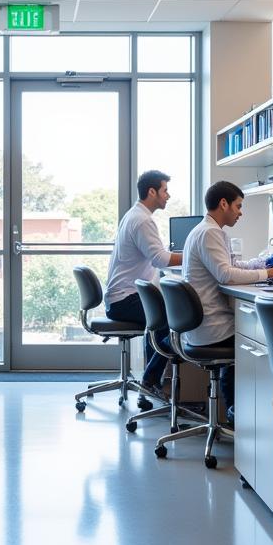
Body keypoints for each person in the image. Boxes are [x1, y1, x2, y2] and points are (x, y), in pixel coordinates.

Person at [182, 181, 273, 418]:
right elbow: (226, 275)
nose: (241, 212)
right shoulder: (211, 232)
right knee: (266, 342)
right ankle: (237, 412)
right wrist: (268, 274)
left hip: (200, 327)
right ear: (223, 204)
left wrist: (262, 264)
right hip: (212, 329)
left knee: (250, 336)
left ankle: (233, 410)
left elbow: (230, 265)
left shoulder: (204, 230)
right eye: (238, 206)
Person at [104, 170, 182, 402]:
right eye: (165, 190)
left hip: (122, 297)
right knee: (173, 320)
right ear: (152, 191)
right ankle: (149, 380)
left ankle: (150, 383)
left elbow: (157, 256)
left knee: (159, 322)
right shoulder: (142, 220)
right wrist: (195, 254)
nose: (168, 195)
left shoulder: (135, 215)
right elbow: (161, 259)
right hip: (124, 300)